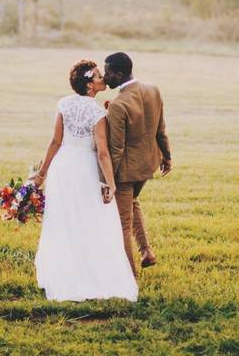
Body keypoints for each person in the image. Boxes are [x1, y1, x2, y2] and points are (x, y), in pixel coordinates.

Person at [32, 60, 138, 302]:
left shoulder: (64, 104)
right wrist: (109, 183)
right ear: (91, 85)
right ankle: (89, 273)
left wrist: (42, 173)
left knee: (64, 220)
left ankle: (63, 271)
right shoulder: (98, 113)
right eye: (99, 76)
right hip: (85, 170)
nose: (104, 79)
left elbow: (55, 142)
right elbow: (102, 152)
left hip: (62, 168)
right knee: (90, 220)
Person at [103, 52, 172, 276]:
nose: (105, 77)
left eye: (109, 73)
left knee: (123, 222)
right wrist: (167, 156)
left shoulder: (119, 104)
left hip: (125, 172)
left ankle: (128, 275)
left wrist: (108, 180)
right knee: (132, 202)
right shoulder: (153, 90)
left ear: (120, 74)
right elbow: (160, 129)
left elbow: (116, 149)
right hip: (148, 165)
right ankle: (146, 251)